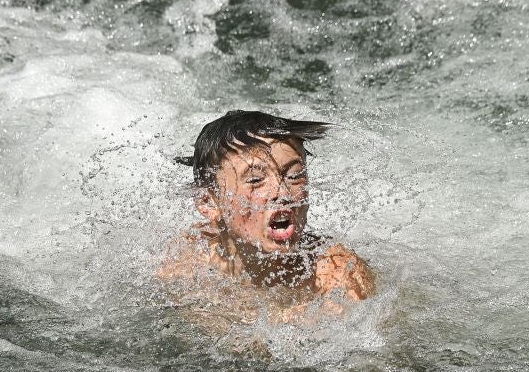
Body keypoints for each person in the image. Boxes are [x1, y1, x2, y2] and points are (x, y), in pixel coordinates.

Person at [157, 110, 374, 329]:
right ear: (208, 203)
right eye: (255, 180)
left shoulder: (336, 271)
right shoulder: (187, 260)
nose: (283, 193)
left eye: (295, 175)